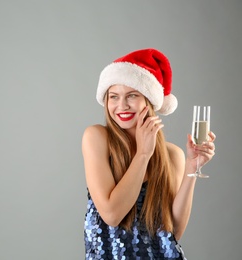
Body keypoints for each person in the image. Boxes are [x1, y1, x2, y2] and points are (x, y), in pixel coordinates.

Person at [82, 48, 216, 259]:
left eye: (132, 95)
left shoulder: (172, 154)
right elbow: (112, 215)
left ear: (149, 101)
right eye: (114, 97)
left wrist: (192, 168)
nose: (122, 105)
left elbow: (173, 232)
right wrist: (143, 154)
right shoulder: (97, 137)